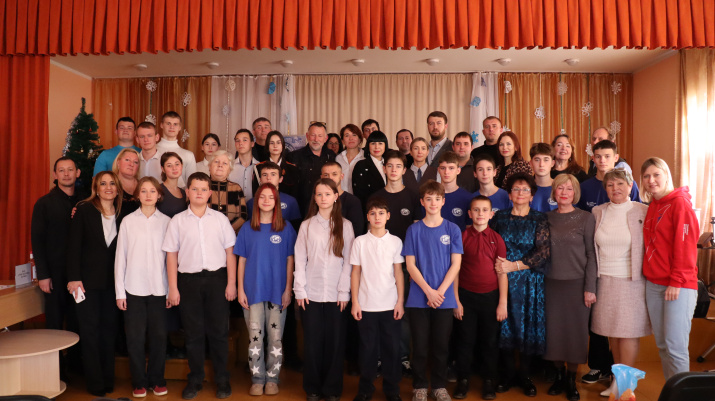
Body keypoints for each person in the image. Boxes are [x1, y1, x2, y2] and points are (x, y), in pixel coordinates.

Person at [163, 172, 237, 400]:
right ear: (187, 192)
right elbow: (171, 255)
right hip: (188, 282)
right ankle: (195, 379)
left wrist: (231, 283)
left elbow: (230, 253)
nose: (199, 193)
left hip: (217, 280)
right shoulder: (177, 221)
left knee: (219, 333)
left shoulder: (220, 219)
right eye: (194, 189)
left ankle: (222, 379)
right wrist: (173, 288)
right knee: (193, 334)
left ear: (210, 193)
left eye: (204, 189)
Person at [488, 173, 550, 397]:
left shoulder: (539, 218)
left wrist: (514, 266)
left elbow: (543, 252)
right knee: (504, 326)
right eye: (516, 189)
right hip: (502, 279)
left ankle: (524, 376)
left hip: (530, 280)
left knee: (527, 327)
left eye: (525, 190)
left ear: (532, 196)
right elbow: (490, 244)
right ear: (509, 194)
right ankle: (507, 375)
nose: (520, 193)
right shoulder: (500, 217)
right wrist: (502, 267)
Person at [591, 169, 651, 397]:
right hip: (604, 280)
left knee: (627, 333)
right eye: (610, 185)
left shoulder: (642, 210)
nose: (615, 188)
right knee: (612, 333)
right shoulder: (597, 212)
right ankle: (617, 380)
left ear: (630, 186)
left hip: (631, 281)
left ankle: (626, 386)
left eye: (620, 184)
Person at [294, 178, 355, 401]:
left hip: (337, 293)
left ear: (336, 196)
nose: (323, 198)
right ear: (314, 198)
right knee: (312, 342)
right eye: (319, 194)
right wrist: (300, 289)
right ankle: (312, 388)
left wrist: (344, 291)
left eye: (327, 194)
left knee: (335, 343)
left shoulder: (346, 225)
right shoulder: (307, 225)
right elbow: (300, 258)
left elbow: (349, 261)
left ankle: (331, 389)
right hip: (311, 292)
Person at [403, 180, 463, 401]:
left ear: (443, 201)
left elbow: (456, 265)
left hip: (444, 298)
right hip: (419, 297)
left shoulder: (452, 229)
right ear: (422, 202)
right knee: (419, 346)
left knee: (440, 346)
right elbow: (410, 265)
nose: (433, 203)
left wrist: (440, 292)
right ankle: (419, 386)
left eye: (437, 199)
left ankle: (439, 386)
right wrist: (429, 291)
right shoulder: (413, 230)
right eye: (428, 199)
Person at [235, 183, 297, 396]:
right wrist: (240, 289)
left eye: (271, 197)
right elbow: (241, 261)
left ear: (277, 201)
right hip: (252, 292)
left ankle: (272, 378)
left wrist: (288, 289)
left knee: (275, 337)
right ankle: (257, 378)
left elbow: (290, 260)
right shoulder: (247, 228)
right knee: (255, 337)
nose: (267, 200)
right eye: (262, 197)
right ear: (256, 201)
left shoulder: (286, 228)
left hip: (277, 292)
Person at [641, 157, 699, 380]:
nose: (651, 180)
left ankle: (683, 394)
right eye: (646, 176)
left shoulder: (680, 204)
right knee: (663, 346)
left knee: (676, 348)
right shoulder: (653, 205)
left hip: (678, 285)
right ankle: (672, 392)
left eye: (656, 174)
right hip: (654, 284)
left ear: (666, 175)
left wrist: (676, 281)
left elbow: (686, 246)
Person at [67, 171, 123, 397]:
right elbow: (73, 247)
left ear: (117, 189)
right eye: (103, 184)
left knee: (109, 332)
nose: (108, 187)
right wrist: (73, 278)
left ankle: (108, 379)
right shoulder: (84, 210)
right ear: (96, 188)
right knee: (90, 332)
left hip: (113, 284)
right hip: (86, 283)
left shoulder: (123, 212)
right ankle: (95, 382)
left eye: (112, 183)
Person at [114, 176, 171, 398]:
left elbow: (171, 259)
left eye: (152, 191)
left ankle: (157, 380)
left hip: (159, 289)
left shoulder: (167, 222)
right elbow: (121, 258)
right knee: (135, 338)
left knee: (159, 337)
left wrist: (170, 289)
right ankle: (138, 382)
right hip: (133, 289)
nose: (148, 195)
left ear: (159, 195)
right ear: (137, 195)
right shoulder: (128, 222)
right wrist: (120, 292)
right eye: (144, 191)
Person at [543, 174, 597, 401]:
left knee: (576, 334)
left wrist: (590, 287)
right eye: (560, 188)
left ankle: (571, 379)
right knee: (554, 332)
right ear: (554, 192)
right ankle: (558, 375)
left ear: (575, 193)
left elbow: (591, 254)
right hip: (551, 284)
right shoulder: (545, 218)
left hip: (577, 285)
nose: (564, 192)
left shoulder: (586, 218)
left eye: (569, 189)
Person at [368, 150, 420, 376]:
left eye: (398, 166)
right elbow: (370, 231)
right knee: (381, 310)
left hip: (406, 265)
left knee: (403, 311)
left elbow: (417, 233)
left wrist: (413, 264)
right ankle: (381, 358)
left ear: (404, 170)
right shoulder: (376, 197)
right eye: (389, 166)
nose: (393, 170)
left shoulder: (413, 196)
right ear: (384, 169)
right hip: (380, 265)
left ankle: (403, 358)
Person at [31, 157, 84, 377]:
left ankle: (76, 368)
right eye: (61, 170)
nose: (66, 174)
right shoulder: (44, 203)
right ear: (55, 175)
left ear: (77, 173)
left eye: (70, 170)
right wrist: (43, 274)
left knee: (77, 319)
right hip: (54, 272)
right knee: (54, 322)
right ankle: (56, 372)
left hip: (79, 273)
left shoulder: (85, 201)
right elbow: (37, 240)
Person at [452, 196, 507, 400]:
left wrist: (502, 303)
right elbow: (455, 271)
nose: (480, 213)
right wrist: (456, 301)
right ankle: (463, 380)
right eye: (476, 210)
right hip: (466, 297)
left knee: (490, 341)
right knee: (465, 341)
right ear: (469, 213)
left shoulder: (497, 238)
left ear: (491, 214)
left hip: (490, 298)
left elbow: (502, 273)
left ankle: (489, 380)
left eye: (485, 210)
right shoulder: (462, 236)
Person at [350, 197, 405, 401]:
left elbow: (398, 273)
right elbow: (355, 273)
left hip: (390, 304)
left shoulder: (395, 242)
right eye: (373, 213)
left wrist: (400, 302)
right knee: (368, 350)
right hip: (366, 305)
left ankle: (392, 389)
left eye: (381, 213)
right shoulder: (360, 242)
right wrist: (355, 302)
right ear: (367, 216)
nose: (377, 217)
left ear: (388, 216)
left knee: (392, 349)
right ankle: (365, 389)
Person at [578, 140, 641, 213]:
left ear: (616, 158)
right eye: (598, 157)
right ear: (593, 159)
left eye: (607, 156)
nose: (602, 160)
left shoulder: (628, 184)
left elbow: (638, 212)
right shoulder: (584, 187)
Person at [287, 122, 335, 216]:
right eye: (313, 135)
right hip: (300, 209)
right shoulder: (293, 157)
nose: (316, 139)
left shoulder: (331, 156)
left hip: (326, 207)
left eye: (320, 136)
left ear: (325, 139)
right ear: (307, 136)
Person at [247, 162, 302, 229]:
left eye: (273, 174)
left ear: (280, 179)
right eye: (265, 175)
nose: (268, 178)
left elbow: (296, 228)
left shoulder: (291, 201)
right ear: (260, 179)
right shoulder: (251, 203)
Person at [322, 162, 365, 247]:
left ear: (341, 176)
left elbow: (357, 232)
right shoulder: (316, 200)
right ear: (321, 177)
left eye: (334, 174)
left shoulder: (353, 201)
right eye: (326, 175)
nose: (330, 178)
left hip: (345, 248)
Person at [252, 130, 300, 199]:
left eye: (278, 143)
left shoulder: (292, 169)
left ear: (283, 146)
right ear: (267, 146)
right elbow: (256, 194)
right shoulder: (258, 167)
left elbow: (295, 195)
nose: (275, 146)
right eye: (272, 143)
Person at [208, 150, 248, 234]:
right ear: (209, 166)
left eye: (225, 163)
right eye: (216, 162)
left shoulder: (236, 188)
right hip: (206, 234)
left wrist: (227, 232)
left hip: (230, 234)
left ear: (229, 169)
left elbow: (242, 215)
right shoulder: (201, 186)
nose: (220, 165)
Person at [431, 151, 473, 232]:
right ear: (438, 170)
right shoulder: (430, 197)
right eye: (443, 168)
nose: (446, 172)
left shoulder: (468, 198)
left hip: (459, 239)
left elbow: (469, 229)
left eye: (451, 168)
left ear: (458, 170)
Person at [156, 111, 197, 187]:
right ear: (161, 125)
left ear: (180, 127)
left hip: (180, 193)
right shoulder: (152, 151)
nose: (172, 127)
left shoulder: (188, 155)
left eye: (175, 124)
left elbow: (192, 183)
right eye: (168, 123)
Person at [353, 130, 388, 214]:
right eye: (373, 143)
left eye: (380, 143)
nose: (376, 147)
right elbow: (359, 194)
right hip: (371, 211)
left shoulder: (389, 163)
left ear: (385, 145)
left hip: (389, 209)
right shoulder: (361, 165)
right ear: (368, 145)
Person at [229, 129, 259, 201]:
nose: (240, 143)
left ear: (252, 143)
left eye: (244, 140)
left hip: (254, 205)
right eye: (237, 141)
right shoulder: (229, 166)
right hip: (234, 206)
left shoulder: (259, 166)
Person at [335, 124, 365, 194]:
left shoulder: (365, 157)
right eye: (347, 135)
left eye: (354, 135)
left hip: (360, 197)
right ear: (342, 141)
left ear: (360, 139)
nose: (351, 138)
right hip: (341, 197)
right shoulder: (338, 159)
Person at [112, 148, 141, 216]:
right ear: (118, 163)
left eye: (135, 162)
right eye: (127, 160)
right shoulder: (111, 185)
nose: (131, 164)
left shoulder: (142, 186)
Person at [157, 152, 187, 218]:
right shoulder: (158, 190)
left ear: (181, 166)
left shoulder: (183, 193)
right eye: (169, 165)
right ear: (163, 169)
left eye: (177, 164)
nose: (174, 168)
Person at [529, 143, 557, 213]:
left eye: (546, 160)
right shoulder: (525, 190)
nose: (541, 164)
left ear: (552, 163)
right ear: (531, 163)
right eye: (537, 160)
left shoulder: (561, 188)